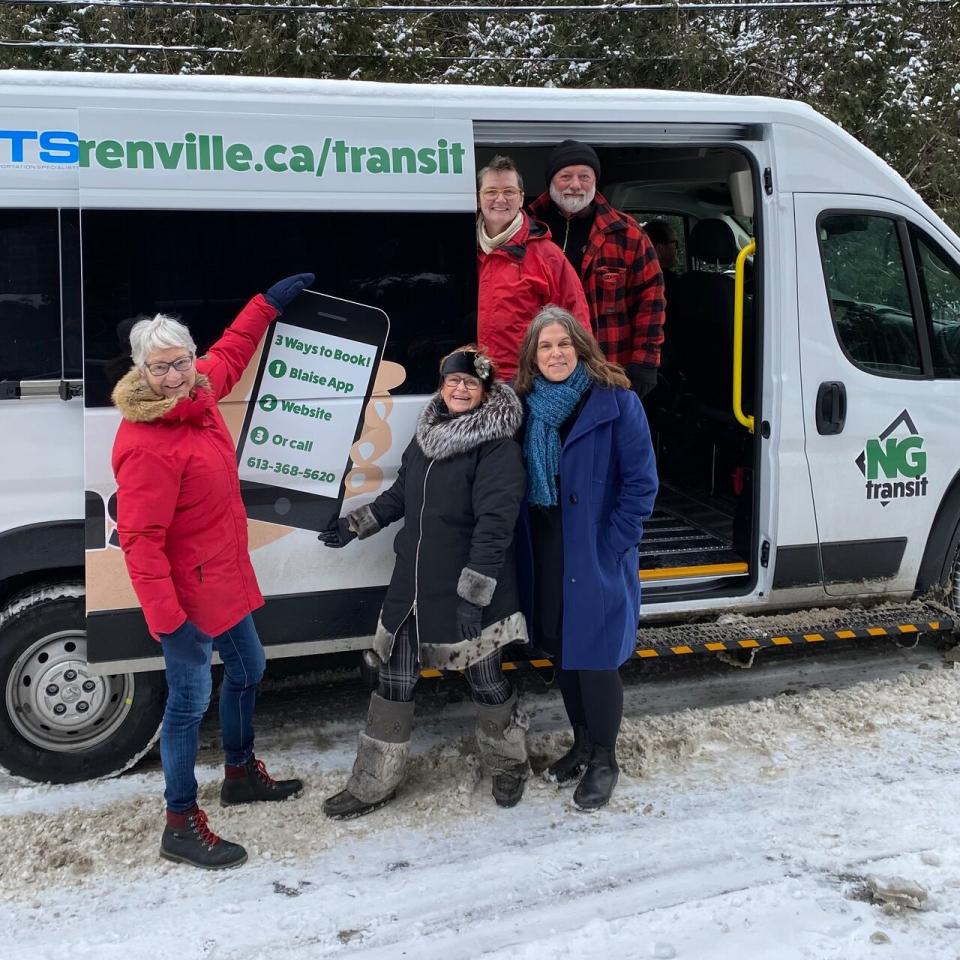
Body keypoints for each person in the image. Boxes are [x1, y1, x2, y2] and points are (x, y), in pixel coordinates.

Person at [111, 273, 314, 870]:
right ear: (140, 372)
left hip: (224, 574)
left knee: (251, 667)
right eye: (160, 369)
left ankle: (240, 772)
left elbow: (234, 348)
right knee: (186, 702)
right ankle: (179, 821)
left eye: (181, 363)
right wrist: (167, 622)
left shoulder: (200, 394)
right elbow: (139, 542)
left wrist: (266, 304)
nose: (175, 377)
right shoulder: (146, 442)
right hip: (185, 597)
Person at [320, 347, 529, 817]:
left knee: (484, 678)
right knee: (393, 680)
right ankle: (372, 782)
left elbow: (495, 527)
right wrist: (354, 526)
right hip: (411, 586)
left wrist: (474, 596)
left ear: (484, 392)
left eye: (471, 384)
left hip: (466, 590)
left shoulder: (497, 448)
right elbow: (401, 496)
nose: (460, 389)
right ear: (442, 384)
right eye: (453, 381)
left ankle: (509, 764)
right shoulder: (427, 438)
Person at [514, 305, 658, 811]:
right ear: (534, 355)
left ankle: (605, 758)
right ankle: (581, 742)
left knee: (595, 657)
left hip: (595, 548)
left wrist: (615, 543)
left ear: (581, 346)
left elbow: (642, 483)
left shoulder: (615, 400)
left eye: (563, 344)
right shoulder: (526, 405)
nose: (555, 354)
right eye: (545, 346)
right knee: (563, 649)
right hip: (548, 543)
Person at [529, 140, 666, 399]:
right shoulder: (526, 230)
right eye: (565, 176)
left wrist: (645, 362)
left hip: (606, 369)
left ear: (595, 181)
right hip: (540, 370)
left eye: (585, 176)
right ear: (550, 181)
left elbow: (651, 300)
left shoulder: (627, 233)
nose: (575, 185)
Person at [477, 154, 590, 381]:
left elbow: (577, 324)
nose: (500, 199)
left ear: (520, 199)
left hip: (527, 383)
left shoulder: (548, 256)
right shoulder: (455, 251)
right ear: (478, 198)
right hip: (469, 384)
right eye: (491, 191)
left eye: (509, 192)